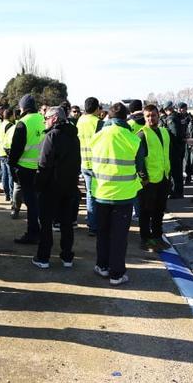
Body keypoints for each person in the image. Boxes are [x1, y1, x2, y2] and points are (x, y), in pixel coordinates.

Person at [87, 102, 143, 285]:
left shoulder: (97, 136)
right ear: (126, 118)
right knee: (119, 237)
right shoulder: (133, 138)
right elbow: (140, 165)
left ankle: (102, 266)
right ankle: (117, 274)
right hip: (124, 196)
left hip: (101, 193)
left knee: (103, 232)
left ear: (108, 117)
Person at [34, 105, 81, 268]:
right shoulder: (74, 136)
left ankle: (43, 257)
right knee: (67, 224)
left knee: (46, 224)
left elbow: (44, 164)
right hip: (69, 186)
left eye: (46, 118)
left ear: (54, 118)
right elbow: (77, 162)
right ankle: (67, 256)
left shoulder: (52, 136)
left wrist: (38, 185)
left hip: (51, 187)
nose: (44, 121)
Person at [8, 95, 45, 244]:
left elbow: (16, 148)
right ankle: (42, 230)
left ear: (23, 107)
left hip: (26, 169)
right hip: (42, 167)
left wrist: (12, 165)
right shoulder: (43, 119)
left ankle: (33, 233)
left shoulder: (23, 123)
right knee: (38, 201)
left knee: (31, 203)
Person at [137, 104, 172, 251]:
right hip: (148, 181)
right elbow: (138, 159)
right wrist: (144, 177)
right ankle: (145, 239)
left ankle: (157, 236)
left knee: (159, 210)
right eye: (148, 116)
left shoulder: (164, 131)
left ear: (159, 116)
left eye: (154, 115)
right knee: (146, 211)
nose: (151, 118)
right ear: (144, 118)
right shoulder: (142, 134)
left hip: (163, 177)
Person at [76, 97, 103, 235]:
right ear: (97, 108)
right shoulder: (98, 123)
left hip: (83, 162)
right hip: (96, 163)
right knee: (94, 195)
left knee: (90, 194)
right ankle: (93, 225)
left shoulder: (80, 121)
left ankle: (92, 220)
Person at [162, 101, 187, 199]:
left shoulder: (171, 118)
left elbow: (174, 134)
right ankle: (178, 191)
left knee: (175, 172)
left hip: (174, 148)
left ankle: (177, 192)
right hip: (179, 147)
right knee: (177, 171)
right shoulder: (178, 117)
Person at [0, 107, 17, 205]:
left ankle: (7, 195)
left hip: (1, 152)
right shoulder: (10, 125)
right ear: (11, 115)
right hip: (7, 153)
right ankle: (11, 195)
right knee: (10, 175)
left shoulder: (1, 125)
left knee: (4, 175)